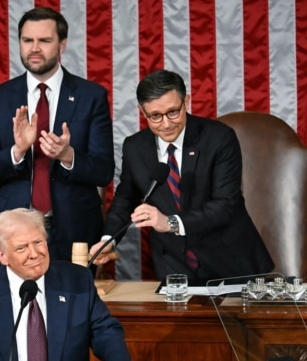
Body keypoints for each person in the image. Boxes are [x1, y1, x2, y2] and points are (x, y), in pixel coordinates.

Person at [89, 69, 274, 285]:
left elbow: (226, 204)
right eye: (155, 116)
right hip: (174, 266)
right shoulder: (135, 147)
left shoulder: (219, 138)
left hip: (230, 262)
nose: (166, 124)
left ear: (186, 101)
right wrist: (108, 240)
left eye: (173, 112)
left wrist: (170, 223)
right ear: (142, 111)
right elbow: (125, 199)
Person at [0, 7, 114, 263]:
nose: (34, 48)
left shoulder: (90, 96)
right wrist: (16, 152)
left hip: (75, 231)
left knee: (73, 303)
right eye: (27, 40)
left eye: (44, 41)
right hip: (14, 232)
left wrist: (68, 155)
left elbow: (104, 171)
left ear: (62, 45)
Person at [0, 208, 131, 361]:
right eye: (22, 247)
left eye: (38, 242)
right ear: (2, 255)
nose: (34, 254)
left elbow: (106, 331)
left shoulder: (76, 281)